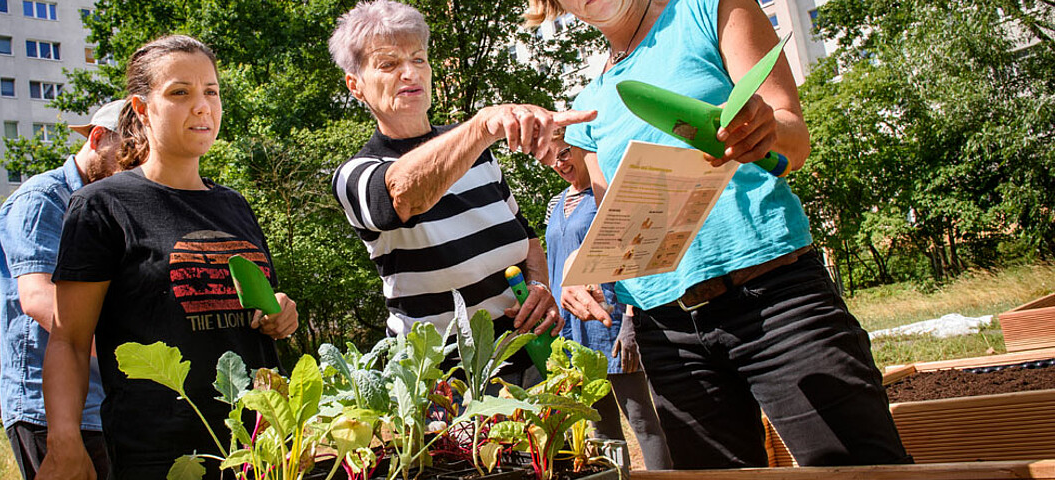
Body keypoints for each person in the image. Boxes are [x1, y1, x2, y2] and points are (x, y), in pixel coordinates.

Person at [523, 0, 910, 469]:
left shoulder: (710, 9)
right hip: (666, 333)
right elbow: (617, 217)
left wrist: (766, 130)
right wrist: (580, 267)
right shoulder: (591, 101)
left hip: (774, 301)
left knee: (860, 471)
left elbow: (794, 139)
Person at [36, 35, 299, 480]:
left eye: (211, 92)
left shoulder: (234, 205)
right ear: (142, 108)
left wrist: (280, 313)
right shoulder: (103, 205)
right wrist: (65, 442)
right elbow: (69, 340)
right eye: (180, 92)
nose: (202, 106)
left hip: (265, 447)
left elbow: (249, 309)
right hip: (162, 456)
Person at [327, 0, 594, 372]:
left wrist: (539, 288)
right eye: (388, 64)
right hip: (443, 373)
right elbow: (403, 194)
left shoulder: (476, 152)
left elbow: (526, 237)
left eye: (419, 59)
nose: (410, 73)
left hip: (527, 351)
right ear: (355, 85)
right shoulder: (355, 173)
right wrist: (483, 125)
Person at [0, 100, 127, 480]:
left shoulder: (113, 204)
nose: (136, 166)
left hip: (106, 406)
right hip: (48, 413)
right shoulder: (42, 199)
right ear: (98, 138)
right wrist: (137, 352)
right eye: (128, 152)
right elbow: (39, 300)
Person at [541, 127, 672, 470]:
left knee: (641, 419)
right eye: (552, 156)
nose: (560, 162)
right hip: (572, 332)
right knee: (601, 426)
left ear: (584, 149)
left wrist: (630, 320)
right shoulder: (555, 203)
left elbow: (634, 257)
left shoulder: (607, 197)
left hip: (610, 324)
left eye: (566, 151)